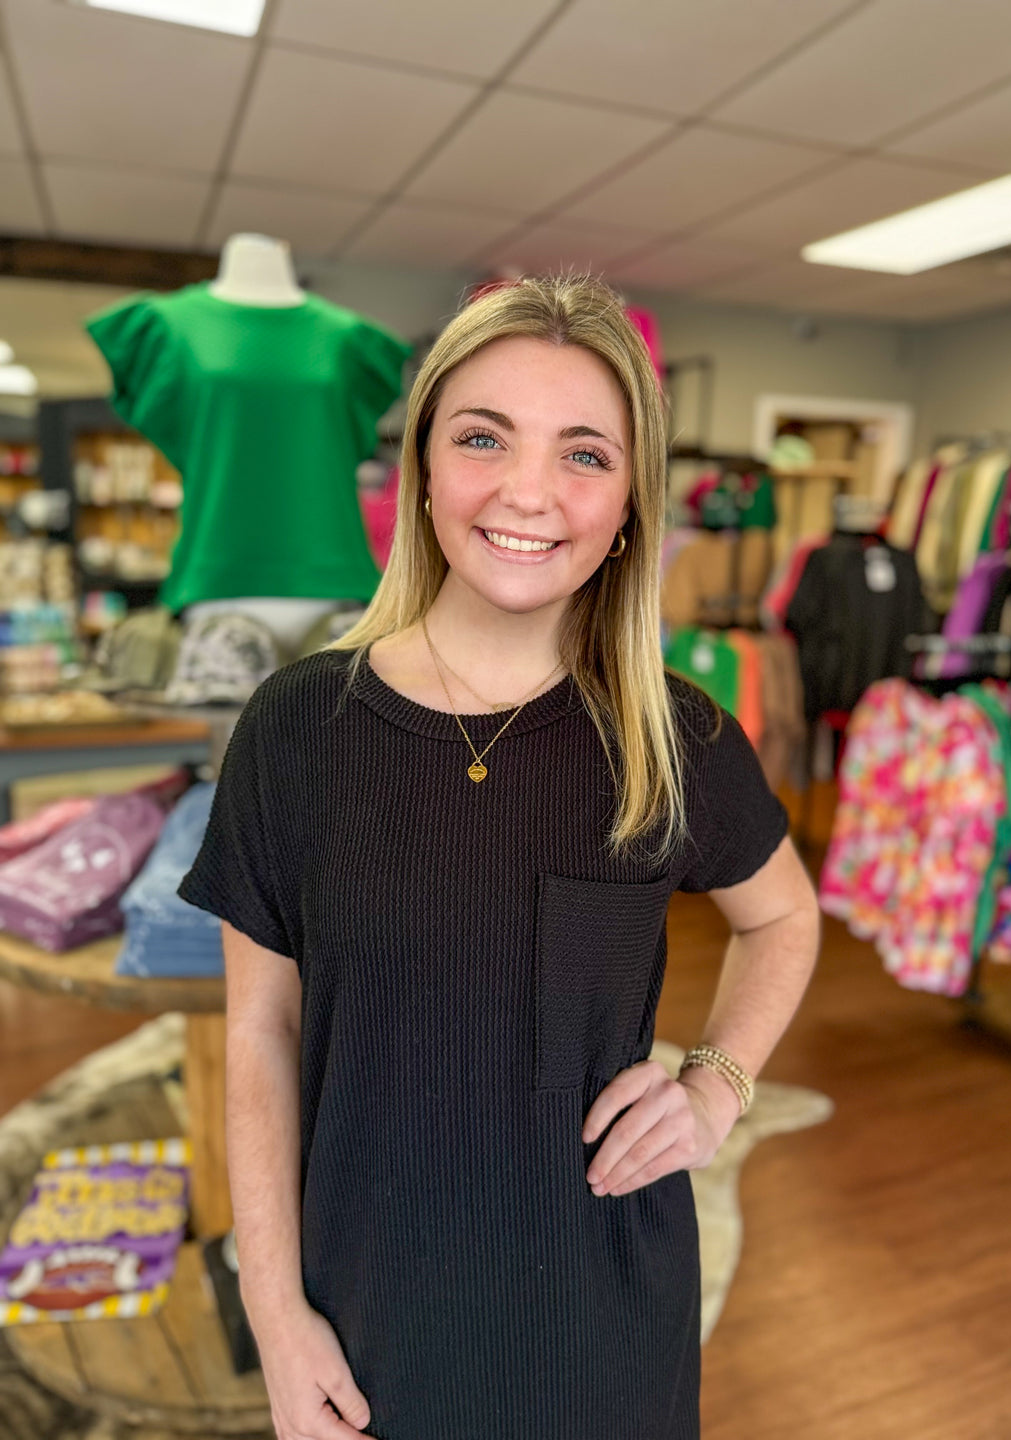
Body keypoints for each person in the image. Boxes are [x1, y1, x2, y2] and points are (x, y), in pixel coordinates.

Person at [177, 273, 821, 1440]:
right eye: (484, 438)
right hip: (366, 1310)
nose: (529, 491)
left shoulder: (674, 735)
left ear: (629, 505)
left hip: (602, 1319)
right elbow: (260, 1034)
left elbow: (784, 916)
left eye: (585, 454)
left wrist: (717, 1089)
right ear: (421, 473)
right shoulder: (298, 727)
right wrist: (275, 1314)